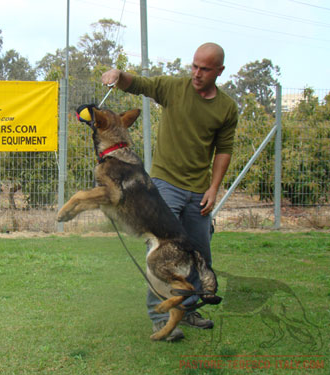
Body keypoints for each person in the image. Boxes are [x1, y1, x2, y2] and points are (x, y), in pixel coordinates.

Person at [101, 42, 238, 341]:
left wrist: (214, 188)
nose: (196, 73)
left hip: (199, 190)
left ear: (219, 71)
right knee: (163, 254)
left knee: (198, 255)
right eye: (194, 66)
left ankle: (187, 310)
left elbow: (224, 150)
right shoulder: (174, 88)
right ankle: (161, 318)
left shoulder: (227, 107)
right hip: (165, 185)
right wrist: (118, 74)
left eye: (204, 69)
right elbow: (138, 84)